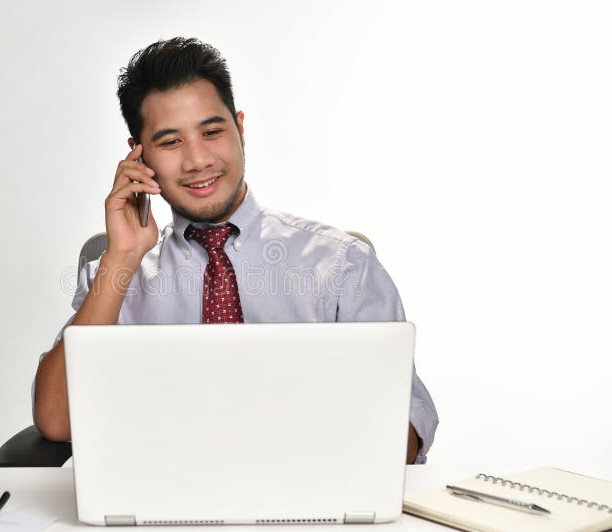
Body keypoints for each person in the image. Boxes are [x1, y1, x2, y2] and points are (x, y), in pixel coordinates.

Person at [33, 37, 438, 463]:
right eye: (170, 142)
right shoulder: (116, 273)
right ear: (138, 155)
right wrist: (123, 255)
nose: (197, 161)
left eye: (212, 132)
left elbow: (402, 439)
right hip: (160, 502)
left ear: (240, 127)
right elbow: (57, 420)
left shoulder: (339, 264)